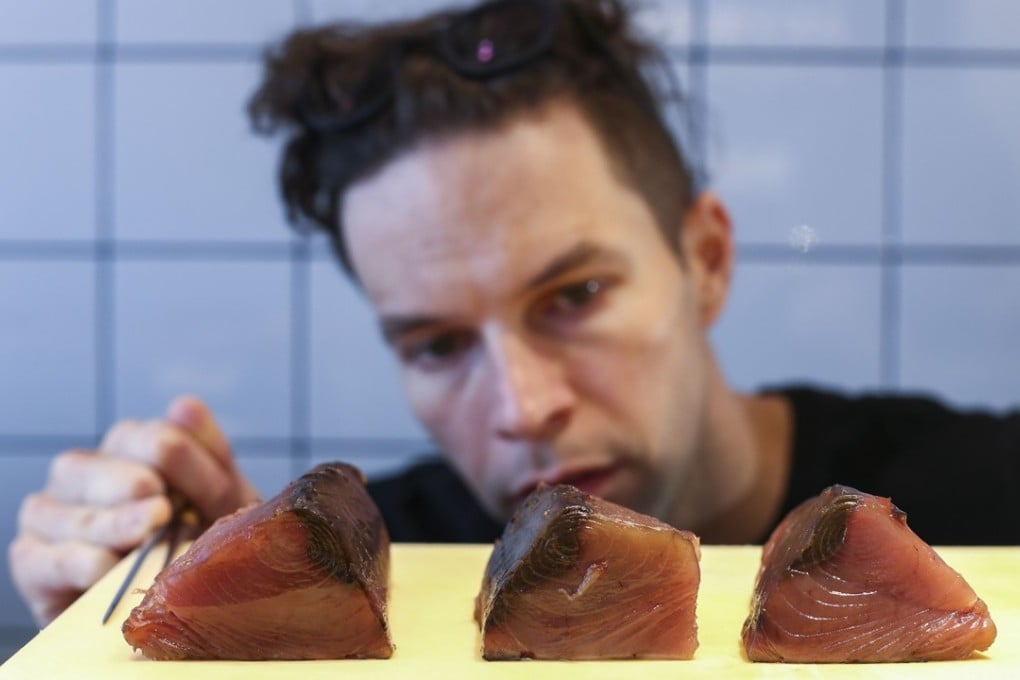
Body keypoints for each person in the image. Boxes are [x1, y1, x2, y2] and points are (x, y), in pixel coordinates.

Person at [9, 0, 1019, 628]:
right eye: (439, 343)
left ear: (704, 258)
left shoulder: (990, 495)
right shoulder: (397, 563)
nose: (523, 407)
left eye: (574, 294)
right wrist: (183, 610)